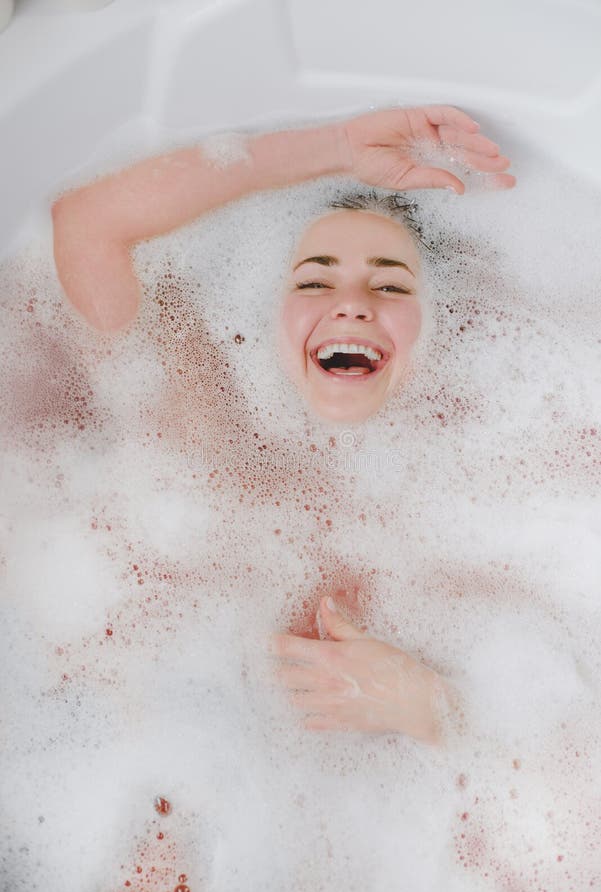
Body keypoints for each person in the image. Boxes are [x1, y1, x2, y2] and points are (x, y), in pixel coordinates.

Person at [51, 105, 515, 745]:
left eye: (391, 288)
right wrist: (338, 146)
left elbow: (559, 747)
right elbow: (87, 224)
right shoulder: (209, 414)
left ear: (443, 325)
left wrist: (435, 708)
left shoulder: (501, 472)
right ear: (269, 311)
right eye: (314, 281)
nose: (351, 304)